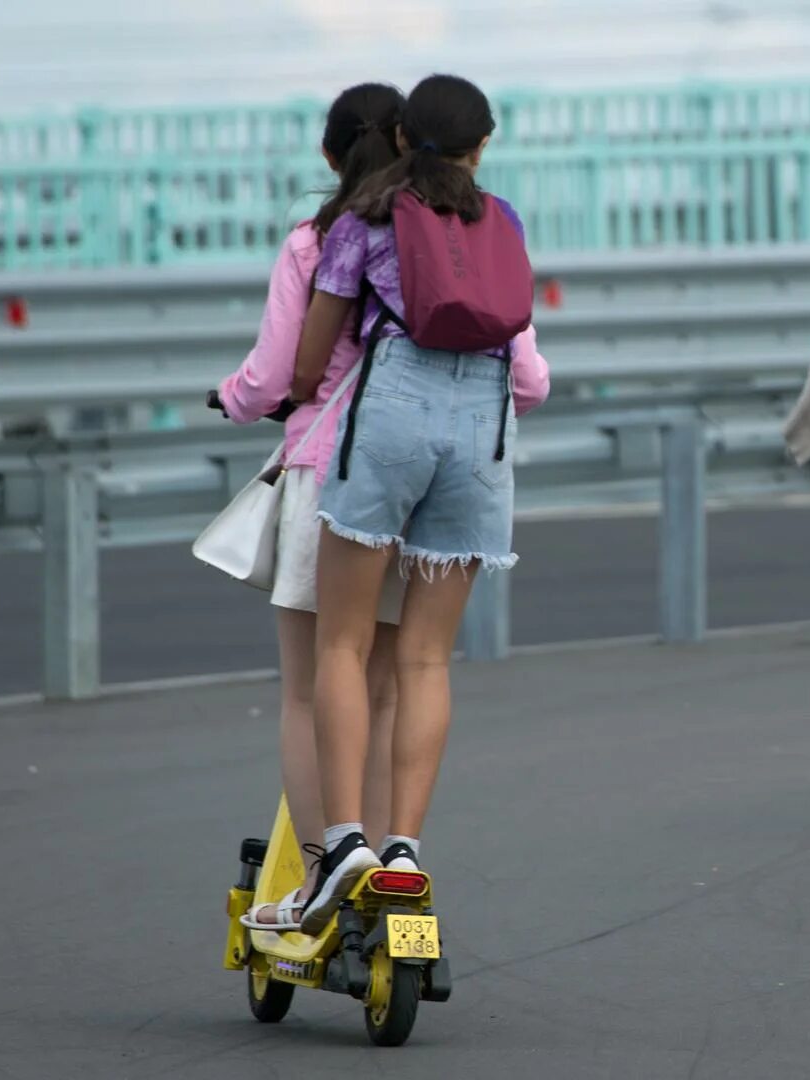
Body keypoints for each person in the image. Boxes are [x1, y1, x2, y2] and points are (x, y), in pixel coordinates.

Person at [290, 73, 543, 932]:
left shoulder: (366, 218)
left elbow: (309, 356)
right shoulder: (498, 217)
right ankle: (404, 852)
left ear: (403, 140)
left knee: (343, 641)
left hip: (391, 411)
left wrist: (296, 395)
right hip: (484, 424)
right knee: (426, 659)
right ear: (483, 146)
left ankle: (344, 846)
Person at [212, 83, 408, 930]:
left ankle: (327, 869)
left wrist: (228, 398)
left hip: (324, 469)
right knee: (387, 687)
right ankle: (392, 855)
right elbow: (529, 375)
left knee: (306, 690)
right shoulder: (441, 236)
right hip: (412, 482)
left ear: (329, 156)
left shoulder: (315, 239)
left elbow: (272, 374)